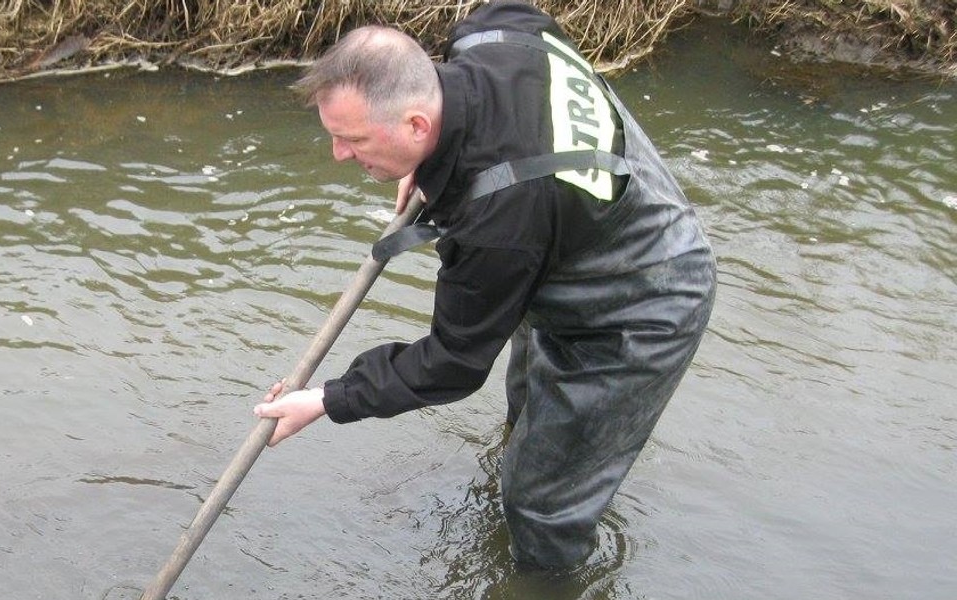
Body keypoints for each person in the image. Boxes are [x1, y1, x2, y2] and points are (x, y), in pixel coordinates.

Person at [253, 0, 716, 572]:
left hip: (640, 304)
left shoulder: (497, 220)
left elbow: (453, 365)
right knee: (524, 414)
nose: (339, 154)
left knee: (541, 503)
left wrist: (327, 399)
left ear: (417, 124)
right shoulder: (493, 31)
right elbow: (521, 25)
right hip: (572, 229)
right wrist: (431, 166)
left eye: (354, 141)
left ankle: (548, 579)